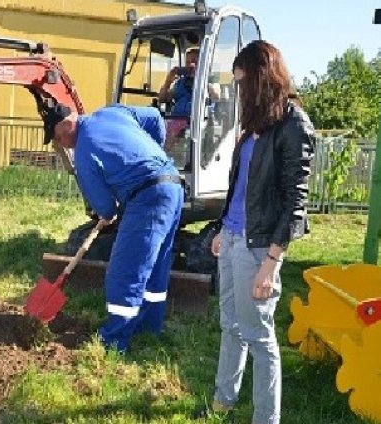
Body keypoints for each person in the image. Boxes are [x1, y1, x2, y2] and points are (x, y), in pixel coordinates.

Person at [207, 41, 315, 424]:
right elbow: (239, 187)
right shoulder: (254, 126)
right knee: (229, 325)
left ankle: (265, 418)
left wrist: (272, 262)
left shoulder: (293, 125)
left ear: (261, 79)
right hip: (233, 238)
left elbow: (294, 202)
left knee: (258, 336)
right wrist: (221, 228)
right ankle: (224, 399)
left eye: (242, 83)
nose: (238, 92)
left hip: (259, 248)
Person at [45, 103, 183, 352]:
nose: (61, 144)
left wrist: (111, 207)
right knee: (155, 266)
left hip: (147, 198)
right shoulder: (111, 112)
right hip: (172, 184)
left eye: (58, 137)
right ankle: (149, 327)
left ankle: (114, 340)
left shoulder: (84, 153)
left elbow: (106, 210)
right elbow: (154, 117)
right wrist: (150, 155)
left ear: (67, 124)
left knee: (123, 272)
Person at [158, 47, 199, 117]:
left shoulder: (207, 80)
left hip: (195, 123)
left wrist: (197, 78)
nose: (190, 65)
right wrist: (167, 82)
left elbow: (216, 94)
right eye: (187, 62)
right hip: (176, 121)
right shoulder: (181, 82)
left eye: (194, 62)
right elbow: (163, 99)